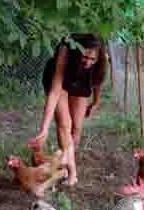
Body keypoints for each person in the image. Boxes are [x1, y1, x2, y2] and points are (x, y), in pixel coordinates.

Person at [28, 33, 107, 186]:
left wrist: (96, 102)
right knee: (65, 124)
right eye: (85, 57)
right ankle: (72, 172)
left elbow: (97, 81)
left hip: (81, 81)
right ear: (78, 52)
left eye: (92, 59)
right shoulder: (66, 49)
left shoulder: (100, 62)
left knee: (76, 127)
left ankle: (66, 162)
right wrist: (44, 129)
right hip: (60, 78)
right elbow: (55, 92)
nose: (88, 62)